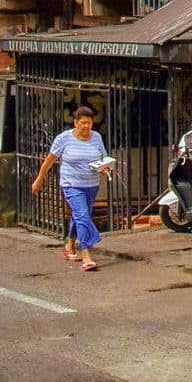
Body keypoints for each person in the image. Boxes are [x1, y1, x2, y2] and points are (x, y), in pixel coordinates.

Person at [31, 104, 114, 270]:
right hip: (71, 185)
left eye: (89, 123)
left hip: (91, 184)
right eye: (83, 122)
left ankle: (69, 245)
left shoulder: (96, 137)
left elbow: (103, 158)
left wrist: (106, 168)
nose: (86, 126)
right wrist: (39, 179)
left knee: (80, 215)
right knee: (83, 215)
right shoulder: (64, 139)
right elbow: (49, 160)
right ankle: (86, 254)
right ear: (76, 122)